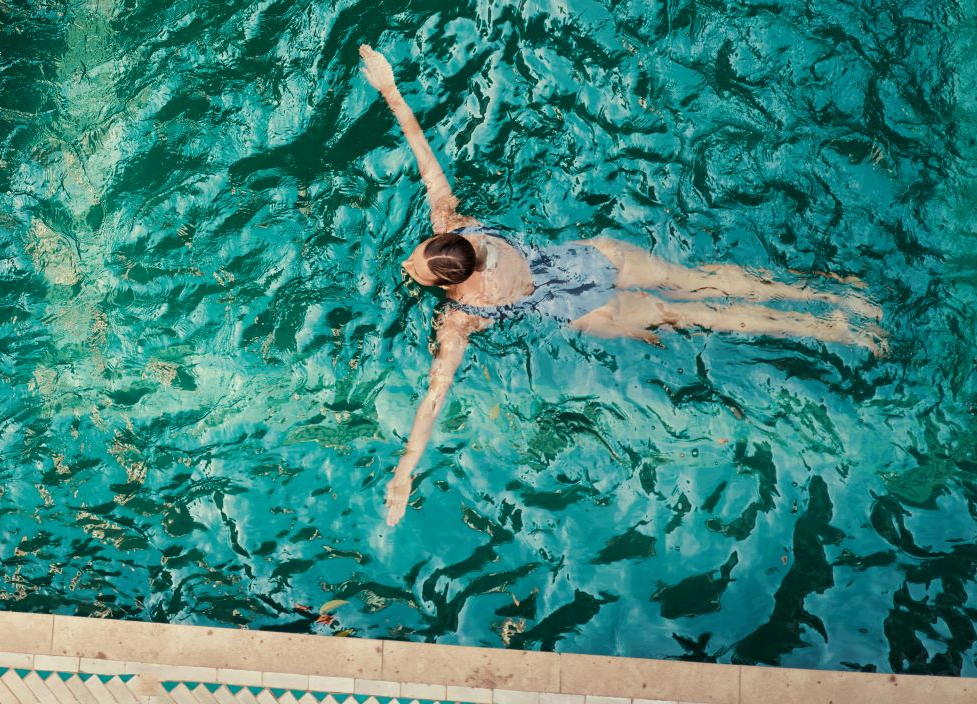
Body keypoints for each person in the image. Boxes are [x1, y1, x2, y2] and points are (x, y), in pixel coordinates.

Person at [358, 43, 883, 527]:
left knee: (700, 315)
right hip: (595, 258)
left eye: (414, 268)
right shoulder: (459, 230)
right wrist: (390, 89)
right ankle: (833, 293)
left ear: (452, 280)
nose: (408, 264)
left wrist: (405, 470)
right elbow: (428, 162)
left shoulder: (461, 313)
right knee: (699, 283)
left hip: (590, 309)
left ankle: (833, 330)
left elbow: (435, 394)